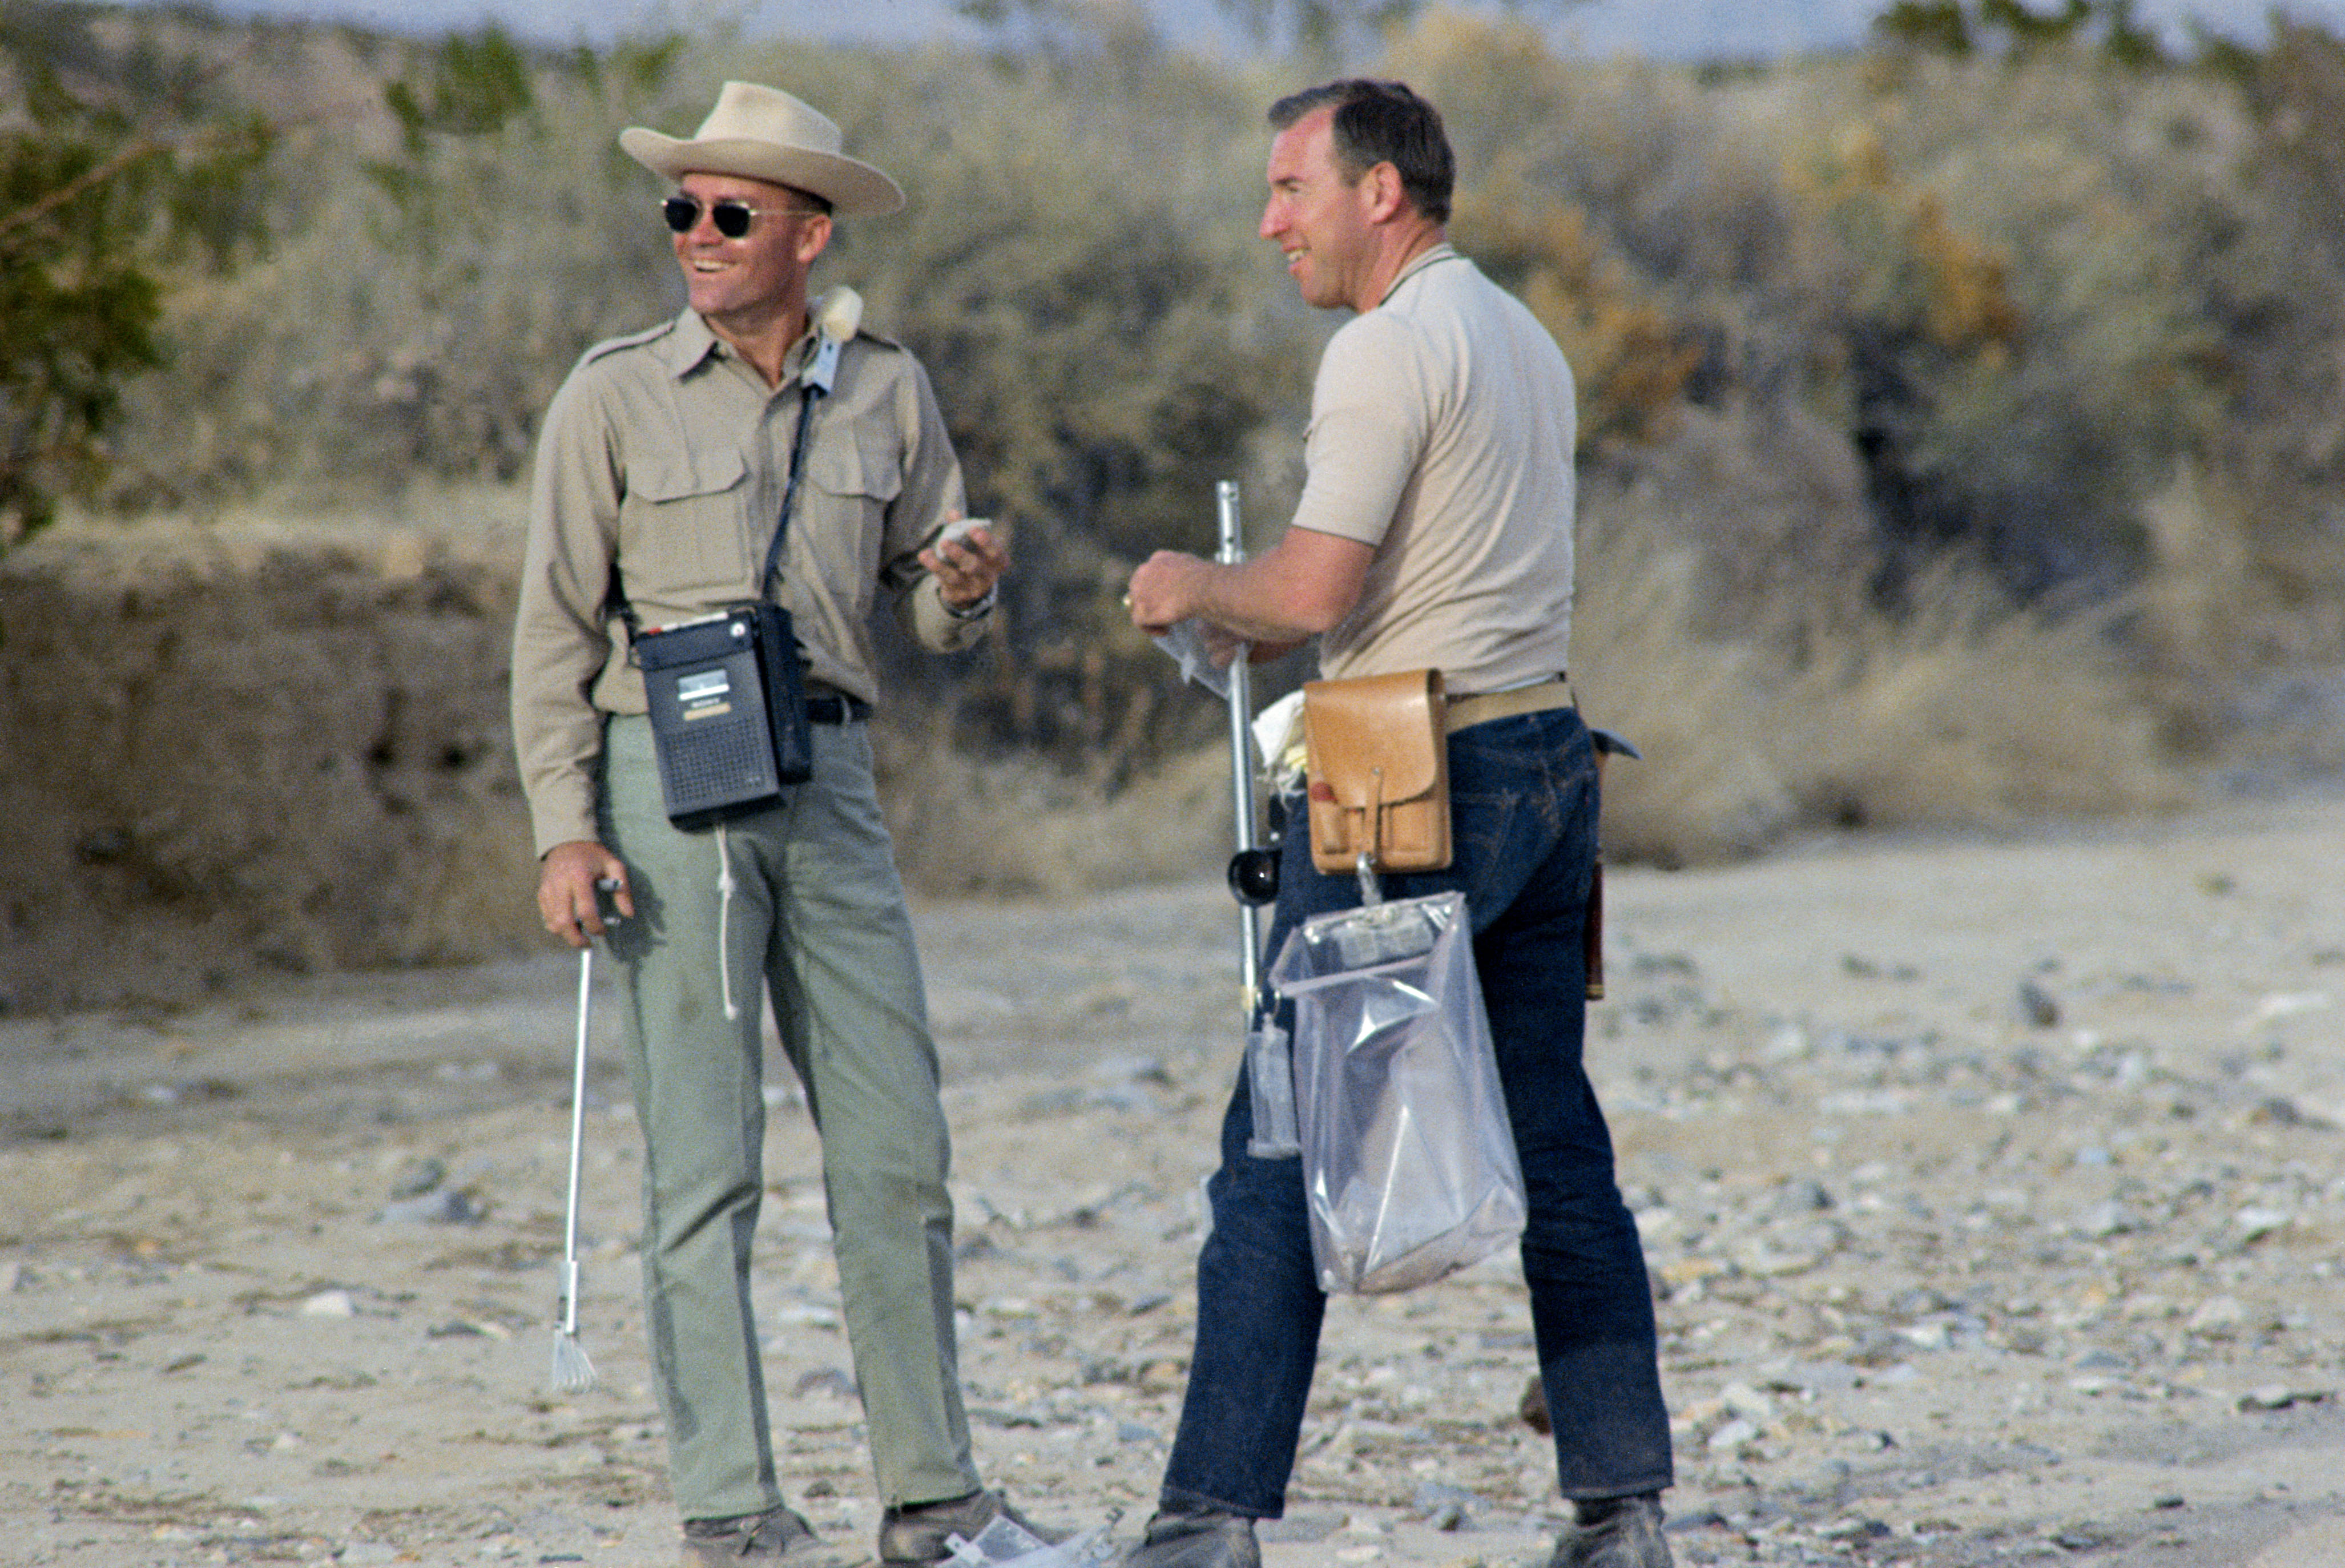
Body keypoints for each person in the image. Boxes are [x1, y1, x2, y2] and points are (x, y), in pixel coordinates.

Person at [1121, 80, 1675, 1568]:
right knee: (1556, 1139)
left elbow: (1304, 597)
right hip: (1549, 760)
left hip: (1401, 782)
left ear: (1380, 193)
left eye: (1290, 187)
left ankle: (1206, 1518)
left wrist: (1189, 586)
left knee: (1276, 1138)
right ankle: (1622, 1507)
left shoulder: (1382, 351)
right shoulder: (1524, 337)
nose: (1268, 221)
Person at [510, 80, 1044, 1568]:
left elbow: (933, 614)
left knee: (896, 1142)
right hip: (661, 793)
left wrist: (961, 586)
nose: (694, 233)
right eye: (679, 207)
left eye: (727, 212)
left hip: (835, 783)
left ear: (805, 233)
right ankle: (731, 1507)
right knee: (704, 1157)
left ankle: (932, 1493)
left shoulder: (890, 388)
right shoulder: (608, 393)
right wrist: (566, 828)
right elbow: (550, 633)